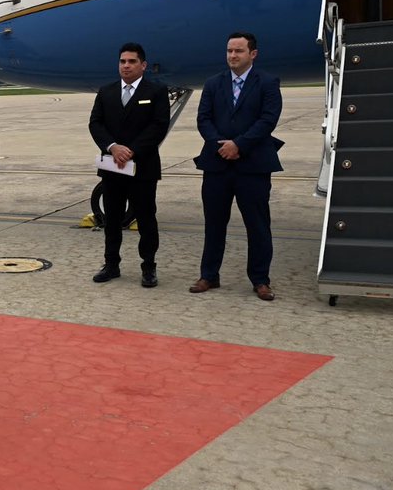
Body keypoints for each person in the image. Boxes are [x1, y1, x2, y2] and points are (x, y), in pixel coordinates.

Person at [190, 32, 284, 300]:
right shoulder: (212, 83)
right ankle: (209, 275)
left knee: (257, 225)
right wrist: (222, 145)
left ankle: (260, 279)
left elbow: (268, 119)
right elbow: (203, 119)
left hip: (252, 166)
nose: (233, 56)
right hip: (217, 165)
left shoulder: (267, 83)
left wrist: (239, 145)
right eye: (230, 51)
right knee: (214, 224)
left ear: (253, 54)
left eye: (239, 51)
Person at [88, 42, 170, 287]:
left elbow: (159, 126)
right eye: (122, 61)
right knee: (112, 220)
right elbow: (95, 124)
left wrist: (131, 150)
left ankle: (148, 267)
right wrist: (113, 147)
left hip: (142, 167)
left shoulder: (156, 91)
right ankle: (111, 264)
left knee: (146, 219)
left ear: (143, 65)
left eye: (132, 61)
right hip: (113, 168)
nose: (126, 65)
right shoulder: (106, 91)